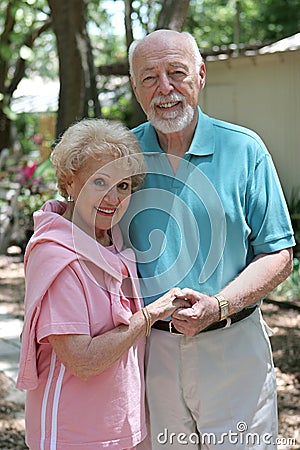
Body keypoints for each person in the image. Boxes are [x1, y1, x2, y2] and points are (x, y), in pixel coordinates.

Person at [122, 30, 295, 449]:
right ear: (134, 87)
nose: (164, 88)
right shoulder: (121, 154)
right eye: (149, 77)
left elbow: (279, 254)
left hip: (233, 348)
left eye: (176, 72)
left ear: (200, 76)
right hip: (148, 352)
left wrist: (218, 306)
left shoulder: (245, 149)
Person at [16, 118, 189, 450]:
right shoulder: (59, 258)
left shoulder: (115, 242)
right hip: (72, 433)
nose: (113, 198)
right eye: (100, 182)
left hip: (121, 427)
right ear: (68, 182)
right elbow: (83, 361)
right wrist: (152, 315)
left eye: (123, 186)